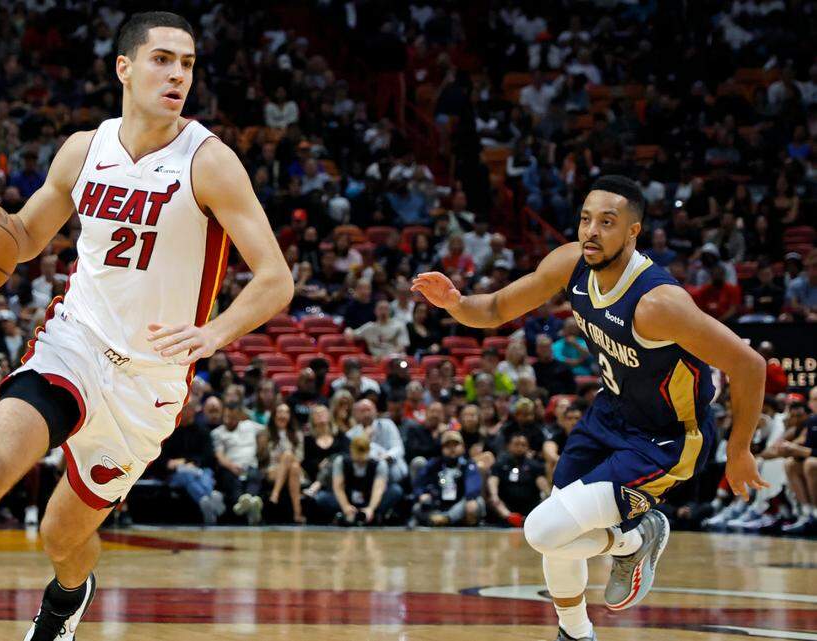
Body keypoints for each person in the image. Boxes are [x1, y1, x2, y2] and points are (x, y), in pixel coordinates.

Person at [0, 13, 293, 641]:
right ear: (124, 67)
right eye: (163, 59)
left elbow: (276, 278)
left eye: (187, 64)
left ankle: (67, 599)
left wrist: (214, 334)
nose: (178, 75)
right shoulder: (84, 149)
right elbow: (22, 238)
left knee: (62, 535)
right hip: (74, 342)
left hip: (149, 383)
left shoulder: (210, 162)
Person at [413, 175, 766, 641]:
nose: (591, 232)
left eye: (607, 222)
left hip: (665, 439)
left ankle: (637, 537)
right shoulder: (570, 264)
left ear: (633, 232)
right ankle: (576, 634)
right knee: (559, 537)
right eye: (585, 220)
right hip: (610, 416)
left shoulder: (660, 304)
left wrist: (740, 450)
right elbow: (497, 308)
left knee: (543, 530)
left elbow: (751, 365)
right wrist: (455, 303)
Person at [317, 434, 403, 525]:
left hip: (370, 499)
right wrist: (345, 506)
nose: (359, 459)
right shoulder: (341, 461)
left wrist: (371, 508)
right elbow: (338, 487)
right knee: (322, 497)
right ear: (351, 450)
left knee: (395, 490)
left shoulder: (379, 464)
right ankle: (346, 515)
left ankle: (371, 514)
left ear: (368, 451)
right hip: (347, 498)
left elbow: (378, 489)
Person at [410, 431, 484, 527]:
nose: (452, 449)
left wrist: (469, 498)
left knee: (477, 502)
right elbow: (419, 482)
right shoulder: (434, 464)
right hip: (439, 505)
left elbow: (473, 485)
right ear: (442, 448)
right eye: (448, 446)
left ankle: (446, 519)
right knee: (417, 508)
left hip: (460, 505)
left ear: (462, 447)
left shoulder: (468, 464)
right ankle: (442, 519)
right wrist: (421, 494)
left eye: (455, 445)